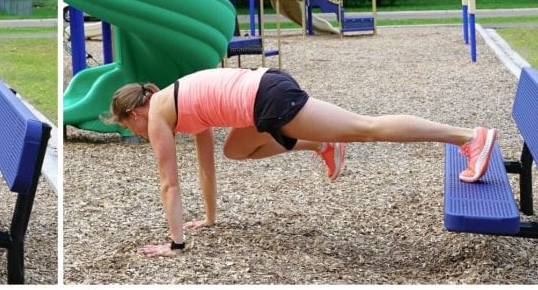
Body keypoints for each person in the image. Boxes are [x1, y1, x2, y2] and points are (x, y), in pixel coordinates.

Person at [104, 67, 497, 258]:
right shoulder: (175, 104)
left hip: (267, 99)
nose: (137, 133)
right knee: (235, 150)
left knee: (365, 127)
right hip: (262, 97)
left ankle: (467, 137)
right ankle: (319, 144)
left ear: (135, 113)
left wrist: (175, 245)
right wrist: (209, 219)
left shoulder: (157, 115)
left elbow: (168, 183)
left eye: (130, 128)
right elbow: (207, 164)